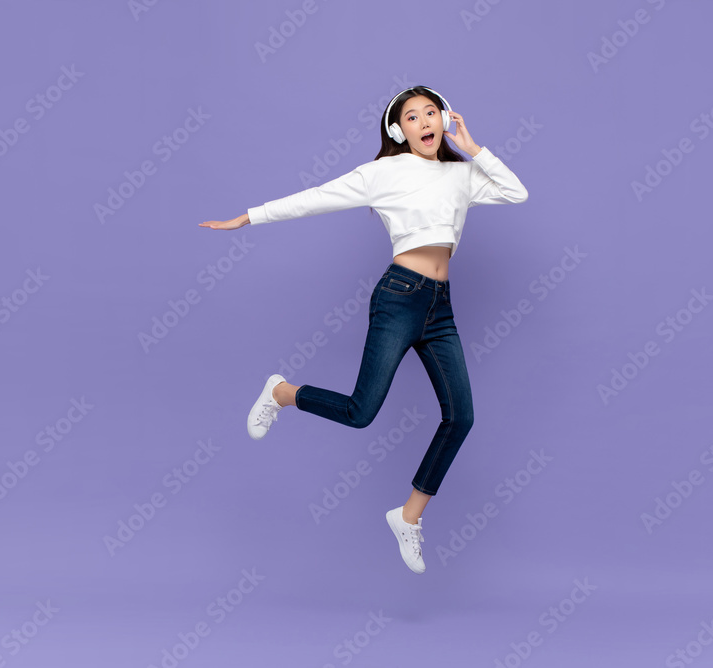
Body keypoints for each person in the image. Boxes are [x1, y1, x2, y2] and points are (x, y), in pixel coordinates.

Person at [199, 85, 528, 574]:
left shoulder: (462, 175)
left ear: (444, 118)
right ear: (399, 130)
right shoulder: (384, 173)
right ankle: (282, 392)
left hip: (441, 307)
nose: (424, 122)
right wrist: (249, 217)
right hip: (399, 298)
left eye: (431, 112)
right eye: (412, 117)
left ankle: (408, 516)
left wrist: (476, 148)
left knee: (460, 417)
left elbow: (514, 192)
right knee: (360, 412)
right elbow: (315, 199)